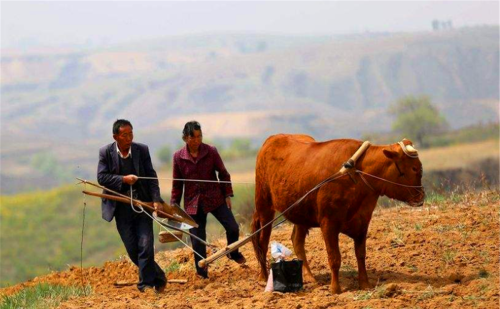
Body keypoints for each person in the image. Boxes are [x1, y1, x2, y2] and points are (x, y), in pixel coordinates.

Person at [97, 119, 167, 293]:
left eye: (131, 134)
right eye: (125, 135)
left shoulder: (141, 150)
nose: (129, 138)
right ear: (116, 137)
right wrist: (123, 179)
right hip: (121, 209)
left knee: (146, 244)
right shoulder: (106, 152)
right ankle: (158, 277)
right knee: (133, 249)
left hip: (142, 205)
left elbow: (151, 176)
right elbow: (102, 178)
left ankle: (146, 285)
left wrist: (156, 200)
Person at [171, 120, 246, 279]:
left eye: (200, 136)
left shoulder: (211, 151)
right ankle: (202, 273)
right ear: (185, 138)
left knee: (233, 228)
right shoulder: (178, 157)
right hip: (193, 204)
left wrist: (227, 195)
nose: (197, 140)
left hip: (215, 198)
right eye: (193, 137)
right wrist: (174, 207)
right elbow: (177, 184)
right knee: (197, 240)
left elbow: (223, 173)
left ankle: (233, 252)